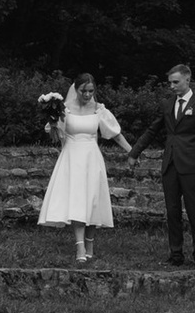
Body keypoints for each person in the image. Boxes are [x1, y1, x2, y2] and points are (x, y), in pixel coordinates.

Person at [36, 73, 130, 264]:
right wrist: (54, 123)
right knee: (78, 200)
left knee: (92, 200)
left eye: (90, 91)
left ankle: (90, 243)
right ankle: (79, 245)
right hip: (72, 157)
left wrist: (132, 151)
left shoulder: (98, 110)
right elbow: (55, 137)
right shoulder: (65, 110)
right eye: (83, 91)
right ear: (76, 89)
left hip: (92, 158)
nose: (87, 95)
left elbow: (115, 134)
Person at [158, 61, 195, 267]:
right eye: (170, 83)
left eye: (175, 82)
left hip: (191, 166)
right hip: (170, 165)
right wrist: (134, 152)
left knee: (194, 211)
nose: (172, 86)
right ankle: (176, 254)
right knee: (172, 211)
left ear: (187, 79)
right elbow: (153, 129)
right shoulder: (167, 105)